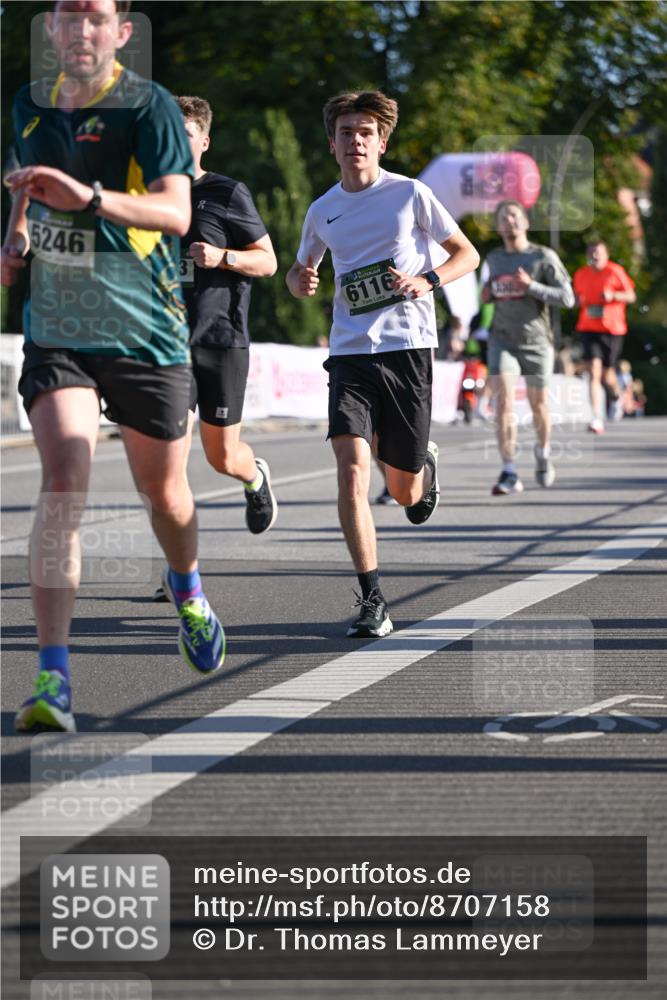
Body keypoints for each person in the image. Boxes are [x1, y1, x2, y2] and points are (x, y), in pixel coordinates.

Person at [2, 0, 224, 734]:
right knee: (65, 476)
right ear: (51, 29)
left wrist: (90, 199)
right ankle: (53, 678)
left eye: (96, 17)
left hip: (144, 328)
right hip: (59, 325)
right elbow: (29, 184)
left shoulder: (148, 107)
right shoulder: (29, 103)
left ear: (120, 33)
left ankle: (187, 589)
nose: (81, 29)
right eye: (68, 16)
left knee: (165, 496)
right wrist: (16, 236)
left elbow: (176, 213)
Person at [286, 90, 479, 638]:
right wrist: (300, 280)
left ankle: (423, 469)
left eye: (365, 133)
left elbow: (467, 253)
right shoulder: (322, 209)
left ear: (381, 143)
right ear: (332, 144)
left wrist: (427, 280)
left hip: (407, 349)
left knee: (404, 493)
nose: (356, 141)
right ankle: (372, 598)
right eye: (346, 133)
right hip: (350, 353)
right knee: (350, 470)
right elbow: (299, 272)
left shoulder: (410, 194)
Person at [152, 95, 278, 601]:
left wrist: (224, 256)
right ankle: (178, 570)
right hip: (165, 347)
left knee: (221, 457)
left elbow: (267, 261)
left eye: (185, 133)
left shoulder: (226, 192)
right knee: (168, 466)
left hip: (221, 339)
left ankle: (254, 476)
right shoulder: (147, 196)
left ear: (203, 141)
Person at [481, 200, 574, 495]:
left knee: (538, 405)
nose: (509, 221)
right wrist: (487, 294)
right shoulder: (493, 258)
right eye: (503, 217)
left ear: (525, 222)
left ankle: (543, 453)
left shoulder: (542, 256)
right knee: (503, 402)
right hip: (502, 340)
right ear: (498, 227)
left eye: (514, 215)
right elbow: (488, 293)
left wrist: (531, 286)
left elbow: (567, 298)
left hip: (537, 342)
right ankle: (509, 470)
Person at [572, 240, 636, 434]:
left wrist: (613, 296)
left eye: (598, 252)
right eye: (591, 252)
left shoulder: (615, 271)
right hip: (588, 327)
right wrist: (576, 301)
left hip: (612, 329)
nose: (594, 256)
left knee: (608, 375)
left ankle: (616, 397)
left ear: (606, 255)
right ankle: (596, 418)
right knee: (594, 372)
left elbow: (631, 296)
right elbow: (576, 298)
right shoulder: (581, 274)